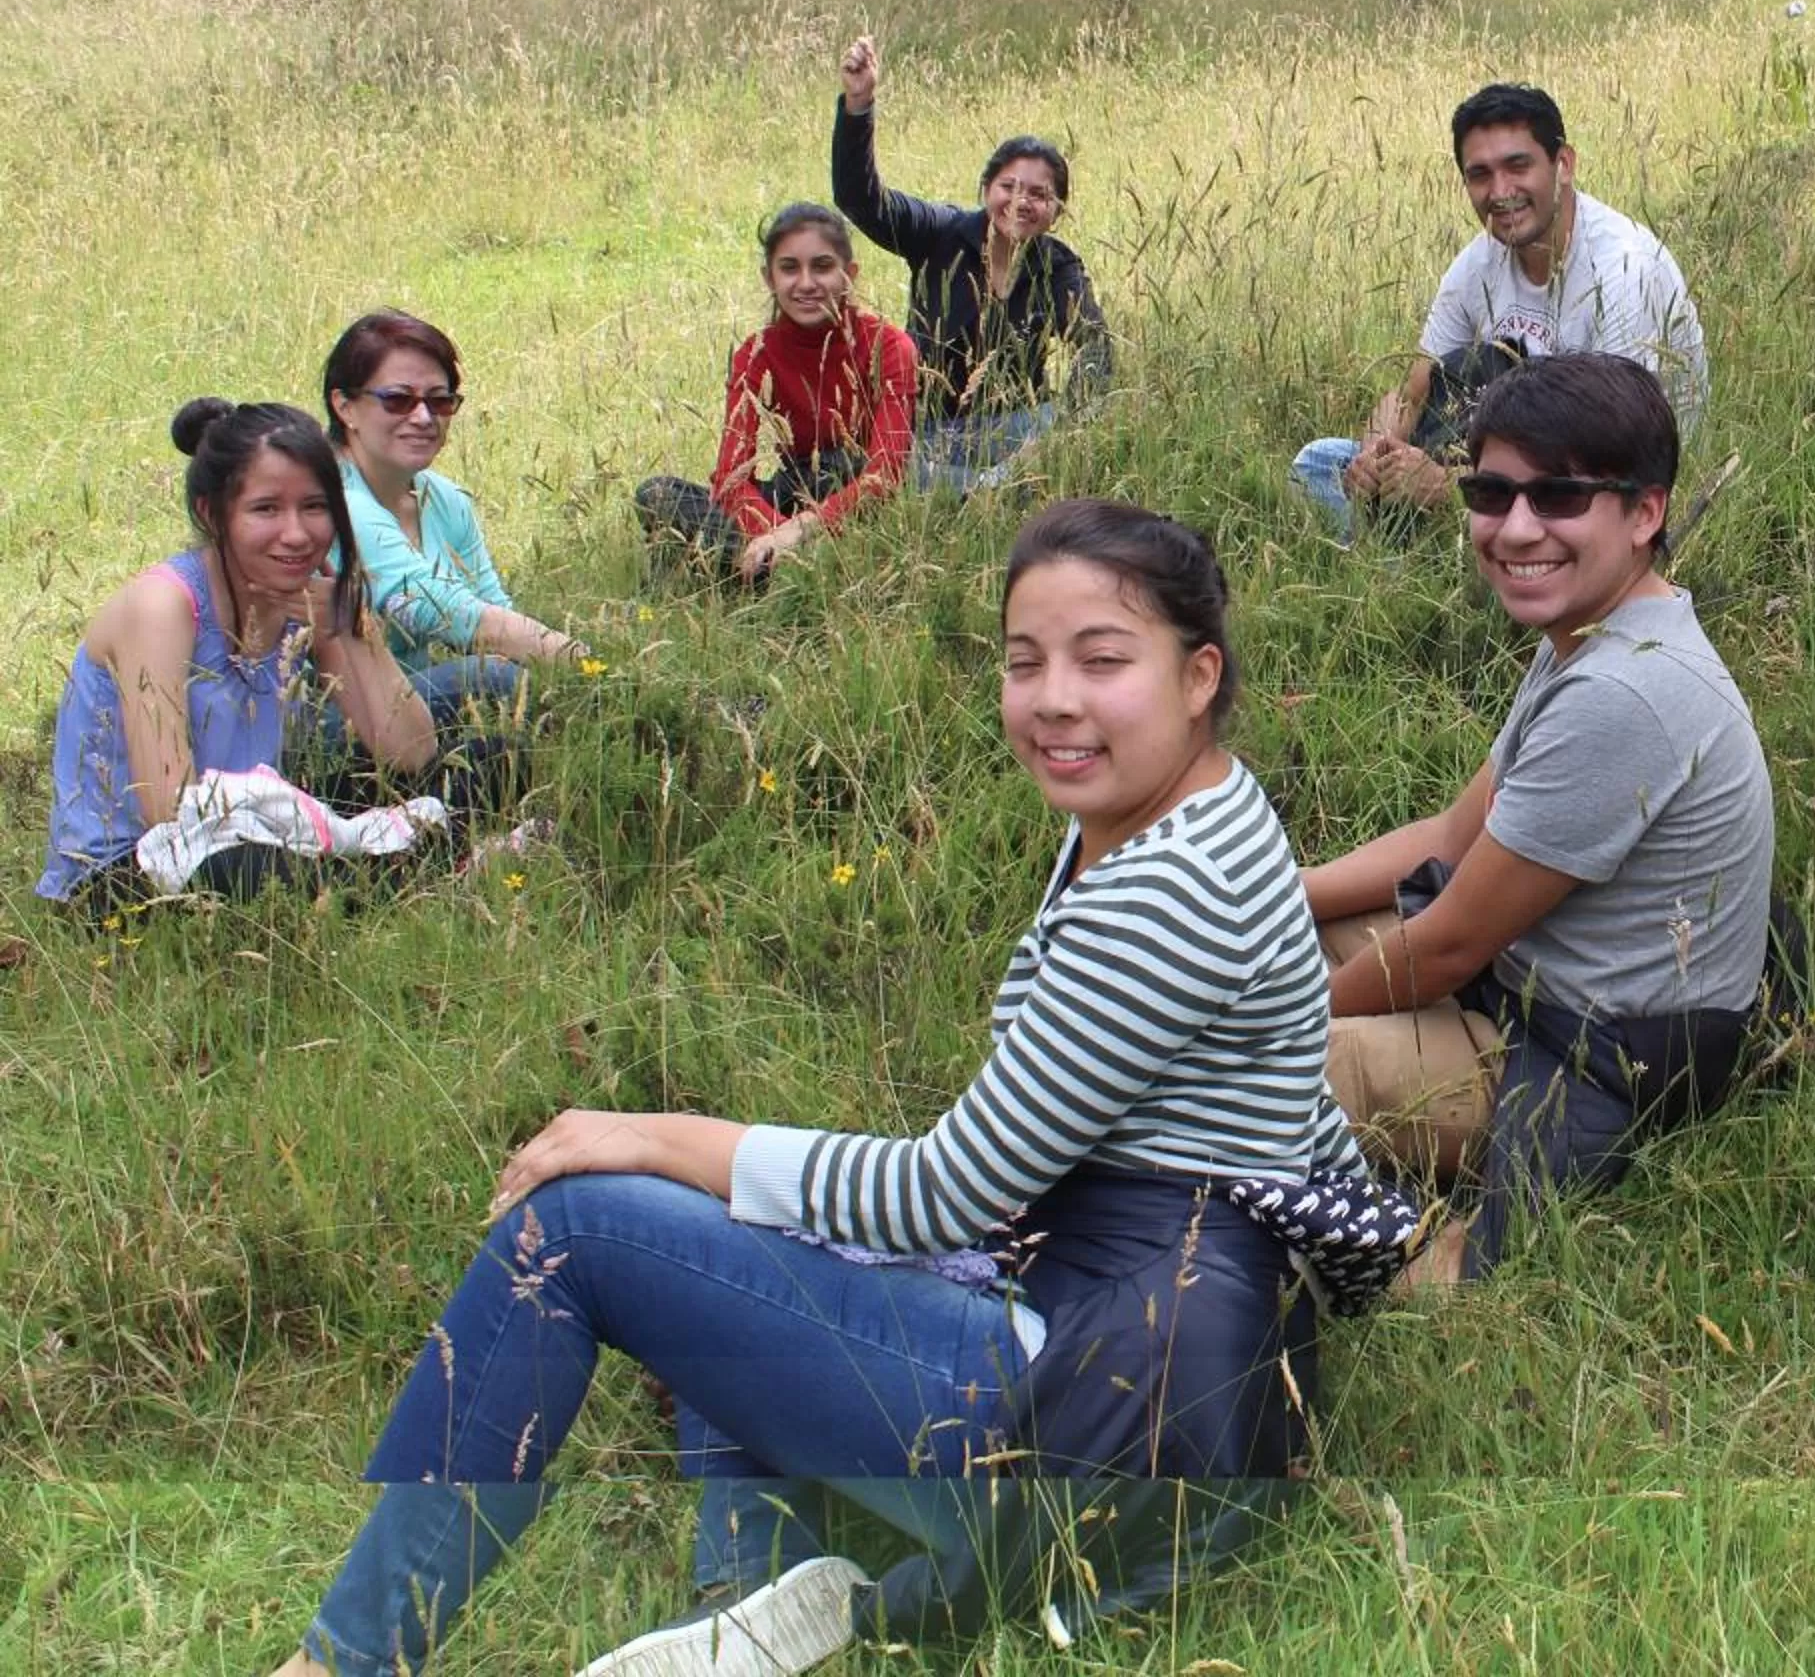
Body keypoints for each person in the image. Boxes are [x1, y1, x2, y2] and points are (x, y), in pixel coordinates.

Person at [269, 498, 1371, 1677]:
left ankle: (342, 1661)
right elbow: (1280, 1098)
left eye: (1103, 660)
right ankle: (753, 1595)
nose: (1055, 697)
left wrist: (650, 1133)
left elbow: (941, 1194)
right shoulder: (1184, 807)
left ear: (1199, 674)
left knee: (579, 1230)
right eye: (1024, 660)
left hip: (1098, 1422)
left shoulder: (1168, 890)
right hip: (1158, 1357)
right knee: (732, 1228)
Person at [1302, 355, 1774, 1280]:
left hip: (1578, 1050)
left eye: (1558, 496)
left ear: (1646, 512)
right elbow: (1451, 838)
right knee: (1264, 943)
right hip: (1523, 979)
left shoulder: (1623, 693)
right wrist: (1276, 895)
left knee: (1234, 1076)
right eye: (1491, 492)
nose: (1517, 529)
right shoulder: (1594, 634)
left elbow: (1444, 949)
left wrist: (1269, 1028)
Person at [38, 399, 447, 904]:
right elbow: (170, 813)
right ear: (213, 513)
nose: (296, 534)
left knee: (479, 763)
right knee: (247, 870)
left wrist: (352, 628)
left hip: (265, 822)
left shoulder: (309, 594)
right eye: (266, 508)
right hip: (138, 870)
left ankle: (382, 879)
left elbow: (411, 754)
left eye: (315, 507)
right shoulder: (163, 606)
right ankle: (415, 877)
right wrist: (315, 828)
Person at [1291, 83, 1707, 542]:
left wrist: (1449, 488)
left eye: (1518, 166)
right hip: (1497, 466)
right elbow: (1412, 392)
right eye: (1480, 174)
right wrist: (1376, 454)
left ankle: (1415, 562)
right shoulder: (1478, 262)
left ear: (1563, 165)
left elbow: (1608, 456)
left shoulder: (1625, 272)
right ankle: (1408, 555)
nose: (1500, 192)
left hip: (1600, 486)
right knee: (1319, 462)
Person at [833, 32, 1110, 491]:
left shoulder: (1056, 267)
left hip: (1014, 432)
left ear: (1056, 211)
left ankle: (992, 484)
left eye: (1039, 194)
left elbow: (1096, 345)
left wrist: (1068, 427)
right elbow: (861, 200)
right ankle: (985, 489)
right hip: (928, 433)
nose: (1020, 202)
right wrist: (858, 105)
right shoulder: (940, 233)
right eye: (1008, 187)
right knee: (890, 460)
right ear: (986, 190)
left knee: (1060, 423)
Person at [315, 309, 586, 738]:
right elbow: (449, 615)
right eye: (398, 399)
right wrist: (590, 669)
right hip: (323, 723)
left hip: (406, 715)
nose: (423, 417)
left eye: (440, 401)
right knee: (492, 683)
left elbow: (493, 607)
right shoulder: (332, 501)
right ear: (344, 406)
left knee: (504, 710)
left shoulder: (444, 499)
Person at [634, 203, 920, 581]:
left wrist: (801, 529)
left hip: (857, 501)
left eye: (822, 266)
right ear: (769, 278)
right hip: (792, 494)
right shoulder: (756, 353)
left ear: (849, 274)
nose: (805, 283)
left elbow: (885, 472)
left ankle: (758, 573)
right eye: (789, 268)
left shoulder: (889, 345)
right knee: (657, 494)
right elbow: (731, 476)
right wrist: (773, 533)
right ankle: (798, 573)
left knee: (840, 466)